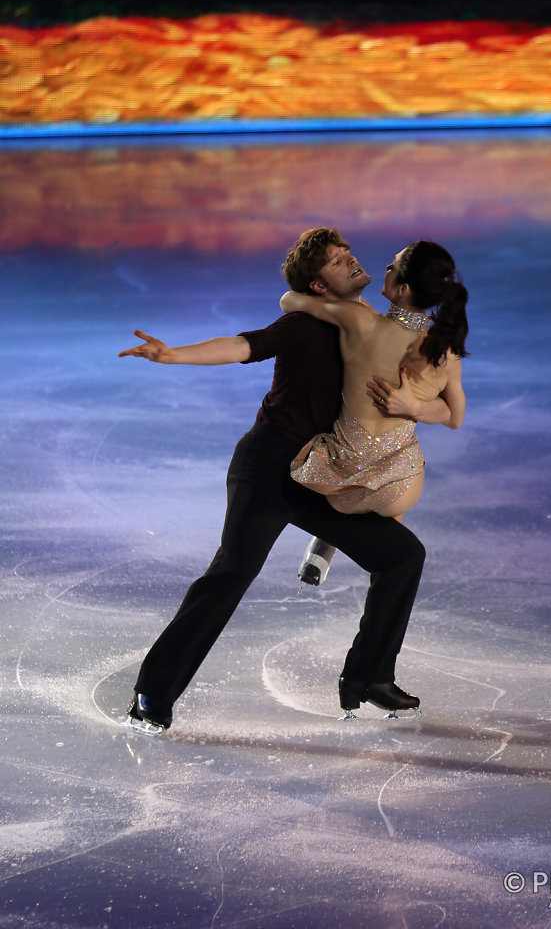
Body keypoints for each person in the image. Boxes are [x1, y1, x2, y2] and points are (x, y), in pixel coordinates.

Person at [117, 228, 455, 732]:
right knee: (231, 573)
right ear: (320, 289)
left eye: (350, 254)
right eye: (340, 262)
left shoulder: (379, 326)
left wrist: (416, 404)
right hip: (270, 467)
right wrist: (173, 354)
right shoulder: (305, 325)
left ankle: (370, 675)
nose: (355, 261)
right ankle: (153, 692)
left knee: (403, 555)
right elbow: (244, 345)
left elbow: (442, 399)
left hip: (321, 474)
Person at [281, 240, 468, 521]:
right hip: (399, 490)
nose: (387, 267)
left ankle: (321, 553)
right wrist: (414, 407)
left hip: (336, 481)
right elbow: (455, 419)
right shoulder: (446, 354)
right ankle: (388, 555)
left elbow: (289, 300)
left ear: (403, 289)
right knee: (397, 462)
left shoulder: (359, 320)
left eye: (393, 265)